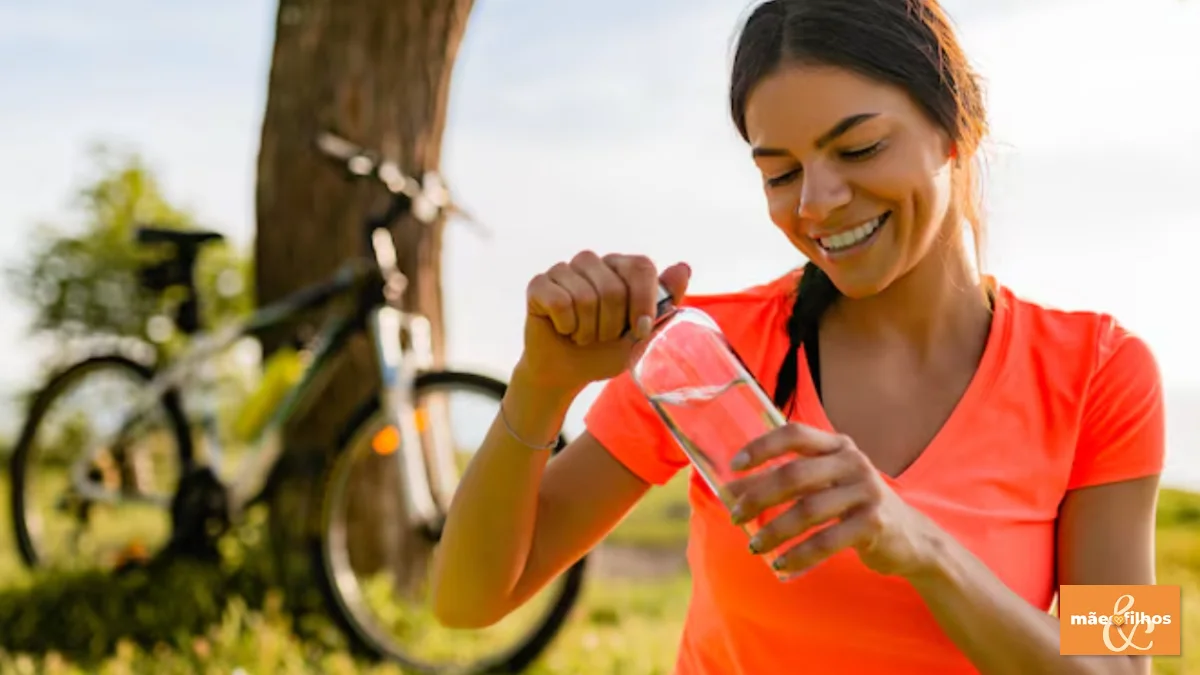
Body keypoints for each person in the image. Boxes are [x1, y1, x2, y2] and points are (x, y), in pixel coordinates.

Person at [430, 0, 1166, 673]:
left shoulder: (1104, 372)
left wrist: (921, 547)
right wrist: (542, 385)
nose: (816, 203)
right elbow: (466, 600)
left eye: (859, 148)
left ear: (957, 128)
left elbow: (1125, 666)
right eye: (780, 174)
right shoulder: (706, 355)